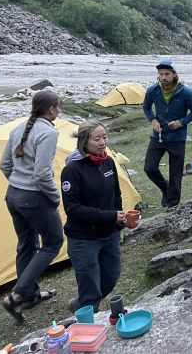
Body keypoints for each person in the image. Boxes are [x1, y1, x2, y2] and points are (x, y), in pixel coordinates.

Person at [0, 90, 64, 323]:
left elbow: (5, 165)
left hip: (13, 196)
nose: (59, 111)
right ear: (51, 109)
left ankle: (30, 295)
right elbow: (42, 173)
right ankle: (16, 296)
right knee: (53, 243)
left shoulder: (18, 128)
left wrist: (18, 184)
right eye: (59, 107)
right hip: (34, 198)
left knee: (26, 244)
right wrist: (54, 196)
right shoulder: (48, 133)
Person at [61, 122, 125, 313]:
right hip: (83, 238)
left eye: (104, 137)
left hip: (109, 233)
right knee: (90, 288)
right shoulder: (72, 170)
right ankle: (88, 317)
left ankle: (81, 305)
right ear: (84, 142)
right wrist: (111, 216)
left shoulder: (108, 162)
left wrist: (120, 219)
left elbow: (116, 194)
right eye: (97, 139)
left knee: (111, 277)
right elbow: (73, 209)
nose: (102, 142)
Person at [142, 60, 192, 210]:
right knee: (150, 168)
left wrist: (181, 122)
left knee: (175, 173)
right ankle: (165, 188)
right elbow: (146, 107)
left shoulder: (186, 92)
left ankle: (172, 204)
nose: (164, 77)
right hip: (158, 136)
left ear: (174, 74)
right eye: (161, 74)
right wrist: (153, 120)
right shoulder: (153, 90)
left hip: (177, 138)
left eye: (167, 74)